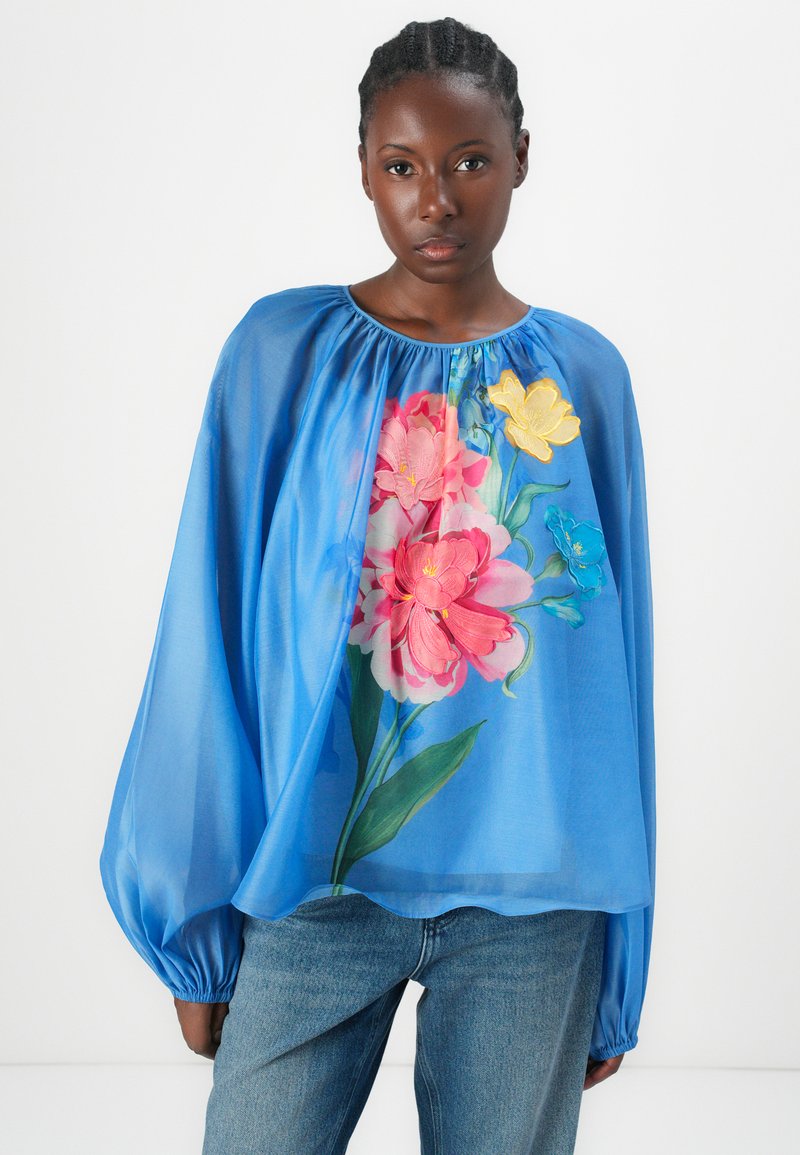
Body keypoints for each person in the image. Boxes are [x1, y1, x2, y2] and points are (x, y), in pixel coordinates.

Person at [99, 16, 657, 1155]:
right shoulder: (283, 353)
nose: (435, 200)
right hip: (315, 881)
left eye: (469, 161)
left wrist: (618, 961)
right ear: (362, 166)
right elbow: (204, 622)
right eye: (402, 166)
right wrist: (192, 924)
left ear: (520, 159)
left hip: (533, 901)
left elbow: (618, 675)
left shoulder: (582, 378)